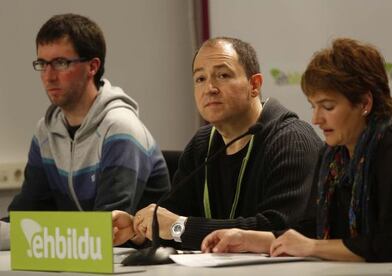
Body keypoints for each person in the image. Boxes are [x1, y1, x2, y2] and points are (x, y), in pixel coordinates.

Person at [201, 38, 392, 262]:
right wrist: (248, 239)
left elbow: (391, 244)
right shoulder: (332, 157)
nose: (316, 119)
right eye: (314, 106)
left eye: (328, 106)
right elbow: (311, 230)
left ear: (364, 103)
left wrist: (313, 247)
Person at [112, 37, 322, 249]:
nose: (209, 88)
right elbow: (168, 217)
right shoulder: (201, 145)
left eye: (223, 75)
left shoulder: (292, 140)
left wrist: (180, 227)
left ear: (254, 85)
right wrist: (138, 230)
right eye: (200, 79)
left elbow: (279, 229)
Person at [0, 13, 170, 250]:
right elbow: (26, 215)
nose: (48, 76)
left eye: (61, 63)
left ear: (92, 66)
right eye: (42, 64)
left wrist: (36, 232)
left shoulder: (120, 128)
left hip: (136, 262)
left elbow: (106, 226)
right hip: (81, 256)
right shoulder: (46, 131)